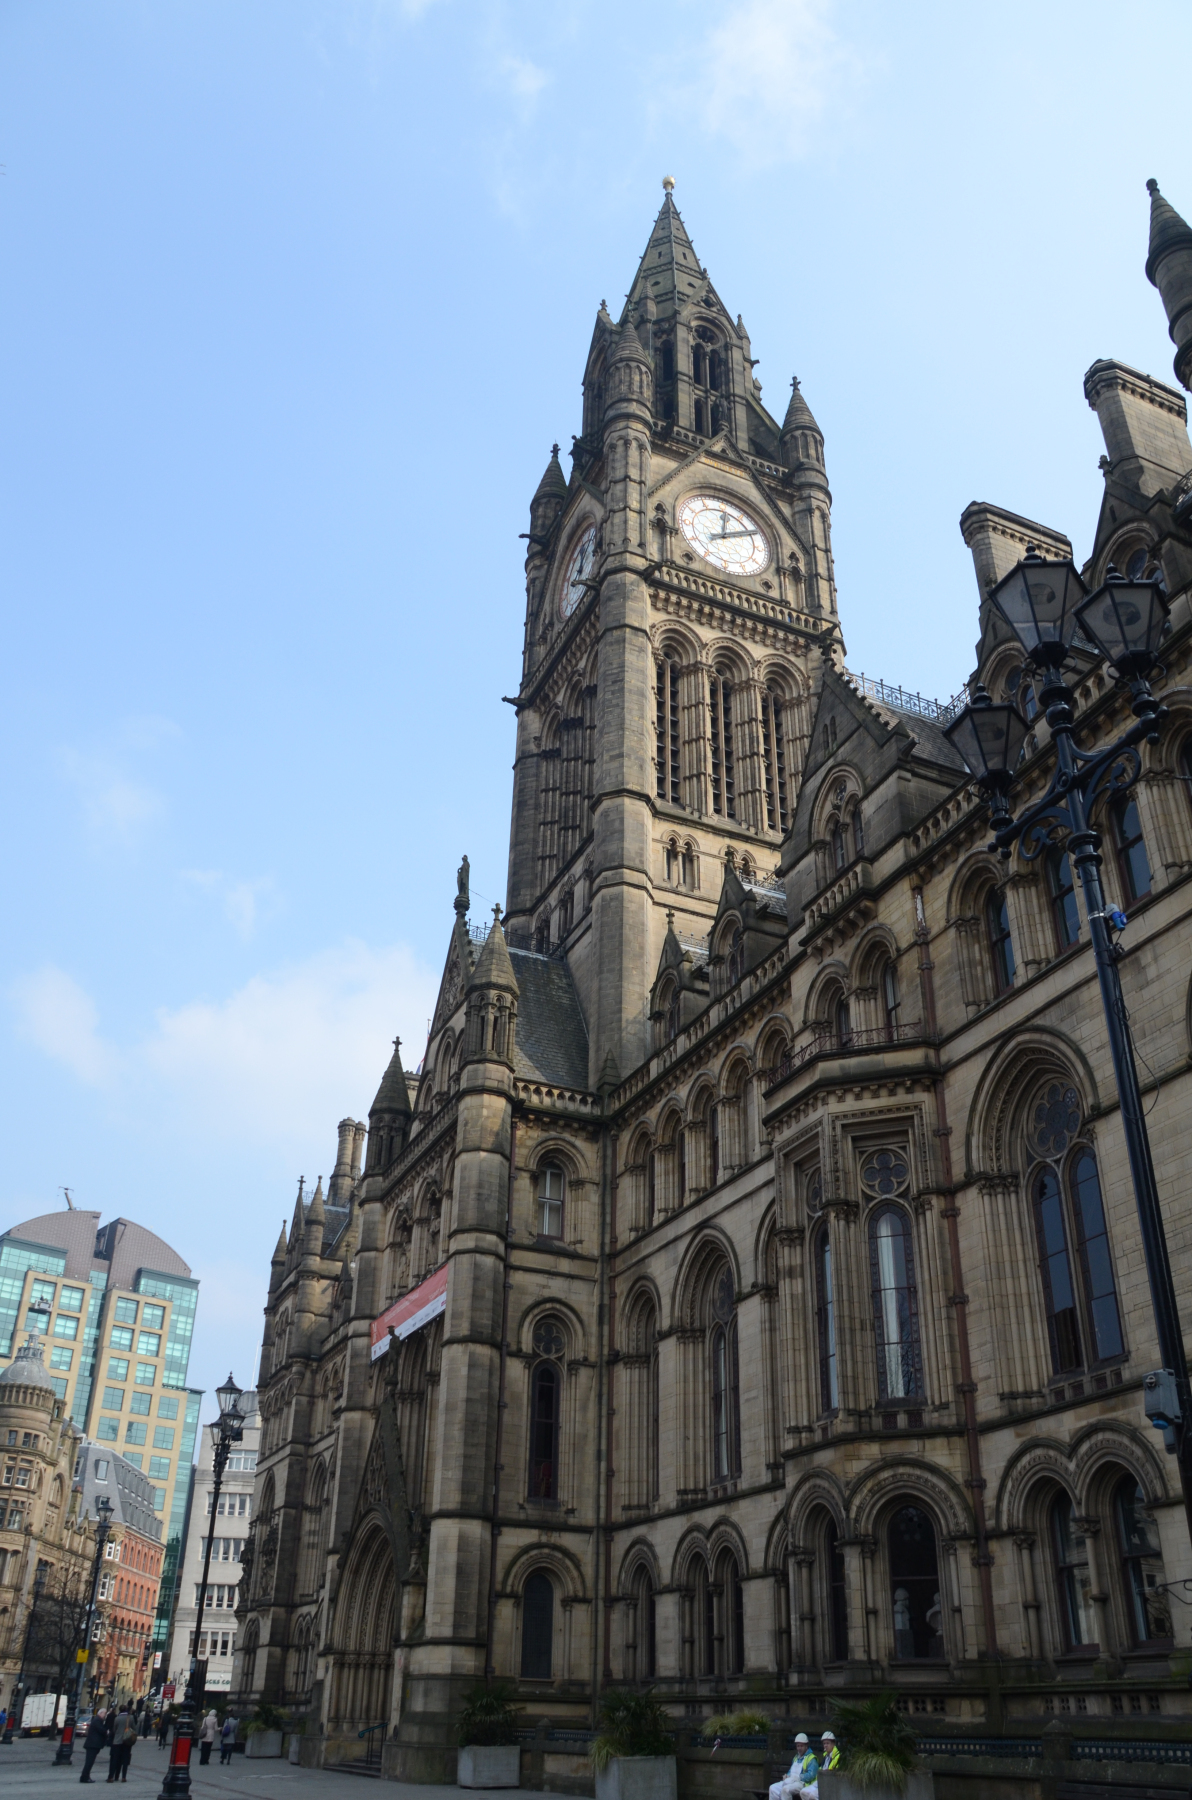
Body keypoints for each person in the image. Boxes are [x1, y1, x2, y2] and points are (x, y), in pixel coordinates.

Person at [768, 1732, 818, 1800]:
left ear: (806, 1746)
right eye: (798, 1746)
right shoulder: (796, 1758)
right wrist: (787, 1776)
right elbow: (791, 1771)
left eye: (801, 1746)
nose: (799, 1748)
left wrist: (799, 1777)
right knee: (773, 1788)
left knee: (786, 1790)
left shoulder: (811, 1758)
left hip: (802, 1783)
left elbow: (812, 1775)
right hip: (791, 1781)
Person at [79, 1710, 108, 1784]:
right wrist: (107, 1731)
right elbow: (101, 1730)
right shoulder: (97, 1720)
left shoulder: (97, 1720)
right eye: (104, 1713)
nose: (105, 1715)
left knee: (89, 1762)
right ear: (100, 1713)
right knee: (89, 1762)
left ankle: (84, 1776)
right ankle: (85, 1777)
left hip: (93, 1744)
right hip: (93, 1744)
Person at [106, 1710, 130, 1783]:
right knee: (124, 1760)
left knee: (115, 1759)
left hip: (117, 1741)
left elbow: (114, 1729)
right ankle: (123, 1777)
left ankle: (111, 1776)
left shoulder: (117, 1718)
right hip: (127, 1741)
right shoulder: (130, 1718)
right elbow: (134, 1729)